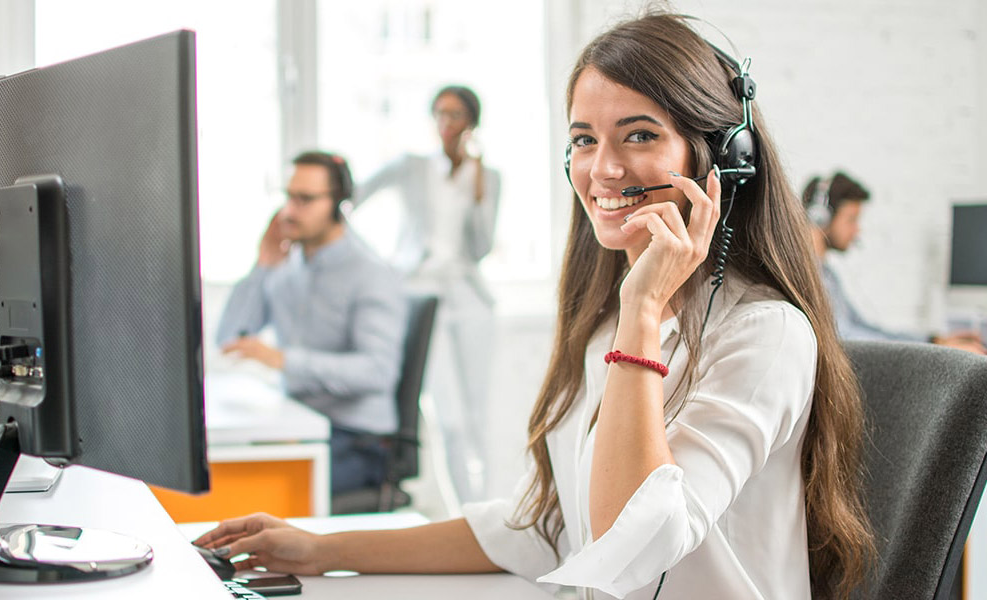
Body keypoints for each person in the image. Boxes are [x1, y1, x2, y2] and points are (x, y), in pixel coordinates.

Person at [196, 13, 874, 600]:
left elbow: (625, 547)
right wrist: (323, 551)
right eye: (583, 139)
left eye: (638, 135)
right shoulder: (608, 322)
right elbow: (548, 528)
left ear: (723, 158)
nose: (602, 169)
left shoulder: (765, 334)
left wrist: (642, 307)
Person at [216, 150, 408, 495]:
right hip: (298, 425)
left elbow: (378, 371)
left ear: (338, 205)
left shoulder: (371, 274)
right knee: (222, 472)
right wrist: (262, 265)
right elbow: (229, 339)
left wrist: (284, 360)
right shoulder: (288, 266)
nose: (290, 211)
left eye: (305, 199)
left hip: (356, 441)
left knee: (252, 492)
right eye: (289, 197)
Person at [352, 85, 501, 502]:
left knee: (476, 416)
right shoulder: (411, 167)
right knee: (447, 417)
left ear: (471, 123)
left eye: (454, 115)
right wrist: (383, 266)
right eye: (439, 114)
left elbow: (481, 247)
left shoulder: (487, 177)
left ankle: (484, 509)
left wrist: (477, 191)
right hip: (420, 293)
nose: (445, 124)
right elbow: (353, 198)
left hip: (468, 296)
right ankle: (461, 514)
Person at [803, 171, 985, 354]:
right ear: (820, 216)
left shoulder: (828, 276)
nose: (857, 231)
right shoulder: (808, 276)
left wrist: (933, 341)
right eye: (851, 219)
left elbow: (865, 329)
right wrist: (936, 351)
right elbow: (847, 338)